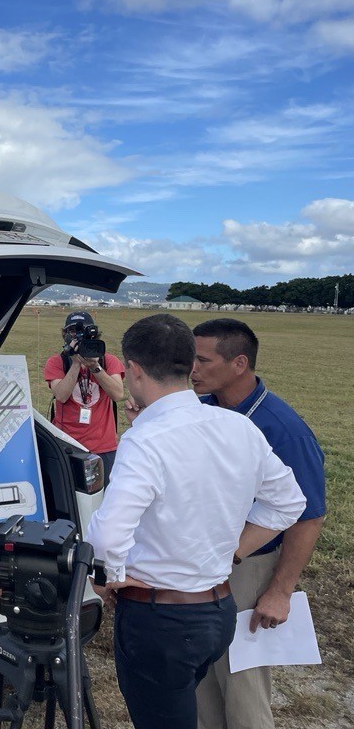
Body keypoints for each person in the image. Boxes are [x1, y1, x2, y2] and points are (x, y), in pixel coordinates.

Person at [86, 314, 306, 729]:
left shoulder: (145, 440)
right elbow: (288, 503)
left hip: (160, 619)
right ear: (188, 366)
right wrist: (229, 551)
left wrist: (107, 576)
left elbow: (107, 534)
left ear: (133, 370)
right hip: (217, 609)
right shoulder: (238, 427)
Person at [191, 319, 326, 729]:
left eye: (201, 359)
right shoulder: (205, 409)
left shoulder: (282, 430)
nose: (191, 369)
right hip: (203, 562)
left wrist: (280, 591)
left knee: (243, 687)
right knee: (201, 682)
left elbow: (308, 517)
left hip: (248, 568)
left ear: (239, 363)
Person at [45, 311, 125, 477]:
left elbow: (118, 394)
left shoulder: (108, 361)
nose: (78, 335)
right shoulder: (56, 362)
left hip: (103, 447)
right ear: (65, 335)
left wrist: (95, 367)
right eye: (72, 331)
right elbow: (61, 395)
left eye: (84, 331)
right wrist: (75, 364)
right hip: (67, 445)